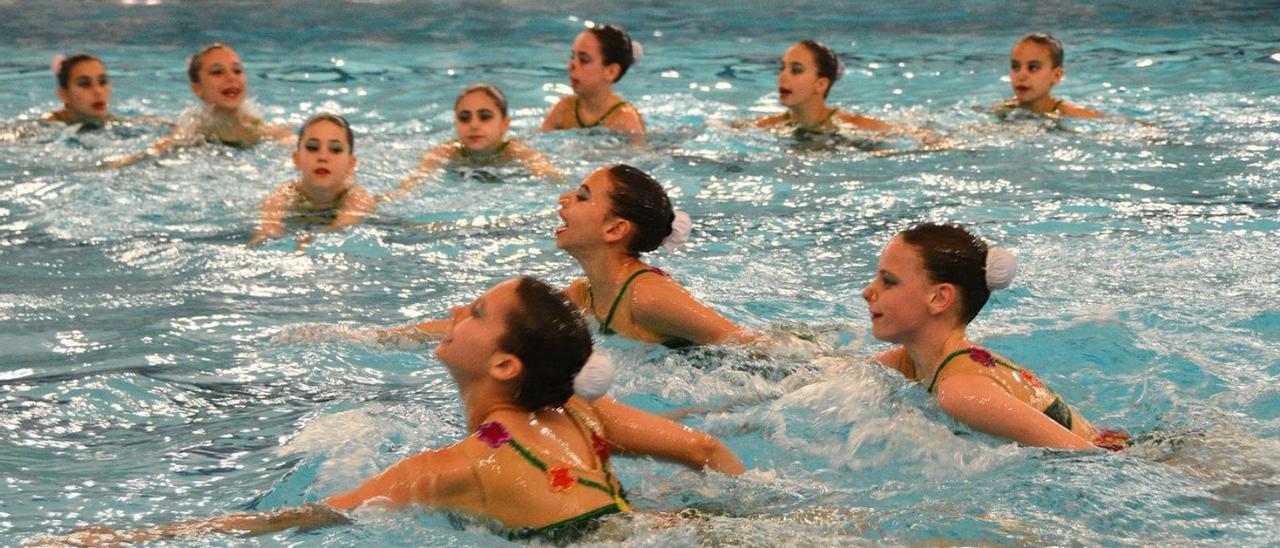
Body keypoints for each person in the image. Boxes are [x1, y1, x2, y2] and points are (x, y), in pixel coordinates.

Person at [52, 277, 743, 544]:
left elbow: (313, 515)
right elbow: (708, 453)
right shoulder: (586, 417)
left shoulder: (458, 466)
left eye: (474, 313)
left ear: (506, 366)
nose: (452, 313)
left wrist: (137, 538)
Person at [378, 165, 749, 348]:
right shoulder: (584, 296)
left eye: (583, 196)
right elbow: (493, 326)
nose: (563, 199)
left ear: (615, 229)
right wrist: (379, 337)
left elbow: (750, 346)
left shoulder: (647, 297)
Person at [862, 223, 1129, 450]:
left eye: (889, 281)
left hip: (1132, 460)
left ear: (939, 298)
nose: (868, 291)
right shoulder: (910, 362)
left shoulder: (961, 392)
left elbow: (1089, 459)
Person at [109, 43, 292, 168]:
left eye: (237, 70)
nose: (231, 77)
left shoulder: (261, 130)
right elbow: (156, 151)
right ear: (197, 89)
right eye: (217, 72)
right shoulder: (194, 130)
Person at [388, 83, 561, 198]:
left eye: (485, 117)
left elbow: (555, 181)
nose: (474, 125)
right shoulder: (443, 153)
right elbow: (410, 187)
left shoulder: (518, 152)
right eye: (464, 118)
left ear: (505, 124)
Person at [249, 113, 375, 248]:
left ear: (351, 164)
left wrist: (307, 243)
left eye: (335, 149)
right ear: (296, 159)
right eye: (313, 147)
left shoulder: (357, 197)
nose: (323, 157)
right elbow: (266, 233)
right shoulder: (284, 196)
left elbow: (340, 229)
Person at [753, 40, 913, 136]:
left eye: (796, 70)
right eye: (782, 68)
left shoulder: (851, 125)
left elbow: (920, 136)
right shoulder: (767, 125)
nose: (783, 76)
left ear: (821, 84)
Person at [540, 24, 646, 136]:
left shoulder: (626, 120)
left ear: (611, 72)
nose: (571, 65)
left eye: (584, 60)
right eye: (572, 57)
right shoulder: (562, 110)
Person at [998, 33, 1104, 119]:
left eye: (1033, 68)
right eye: (1015, 66)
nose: (1021, 75)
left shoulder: (1072, 113)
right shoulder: (1003, 109)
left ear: (1056, 76)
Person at [43, 53, 115, 128]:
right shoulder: (45, 127)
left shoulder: (115, 123)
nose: (98, 92)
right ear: (64, 95)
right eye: (85, 84)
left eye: (103, 82)